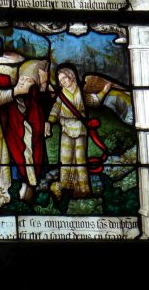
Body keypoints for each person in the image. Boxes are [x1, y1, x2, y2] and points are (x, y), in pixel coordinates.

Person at [0, 52, 48, 206]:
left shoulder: (27, 66)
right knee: (3, 160)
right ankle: (1, 195)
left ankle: (26, 189)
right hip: (3, 127)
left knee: (28, 155)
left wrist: (43, 84)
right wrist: (14, 92)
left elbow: (39, 101)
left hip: (25, 124)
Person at [46, 64, 111, 200]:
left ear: (71, 77)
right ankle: (65, 186)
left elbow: (94, 101)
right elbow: (55, 110)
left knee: (80, 159)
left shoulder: (81, 93)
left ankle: (82, 189)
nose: (62, 82)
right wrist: (49, 122)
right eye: (60, 80)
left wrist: (105, 91)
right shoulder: (61, 96)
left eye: (64, 78)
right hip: (66, 129)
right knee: (65, 159)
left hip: (80, 129)